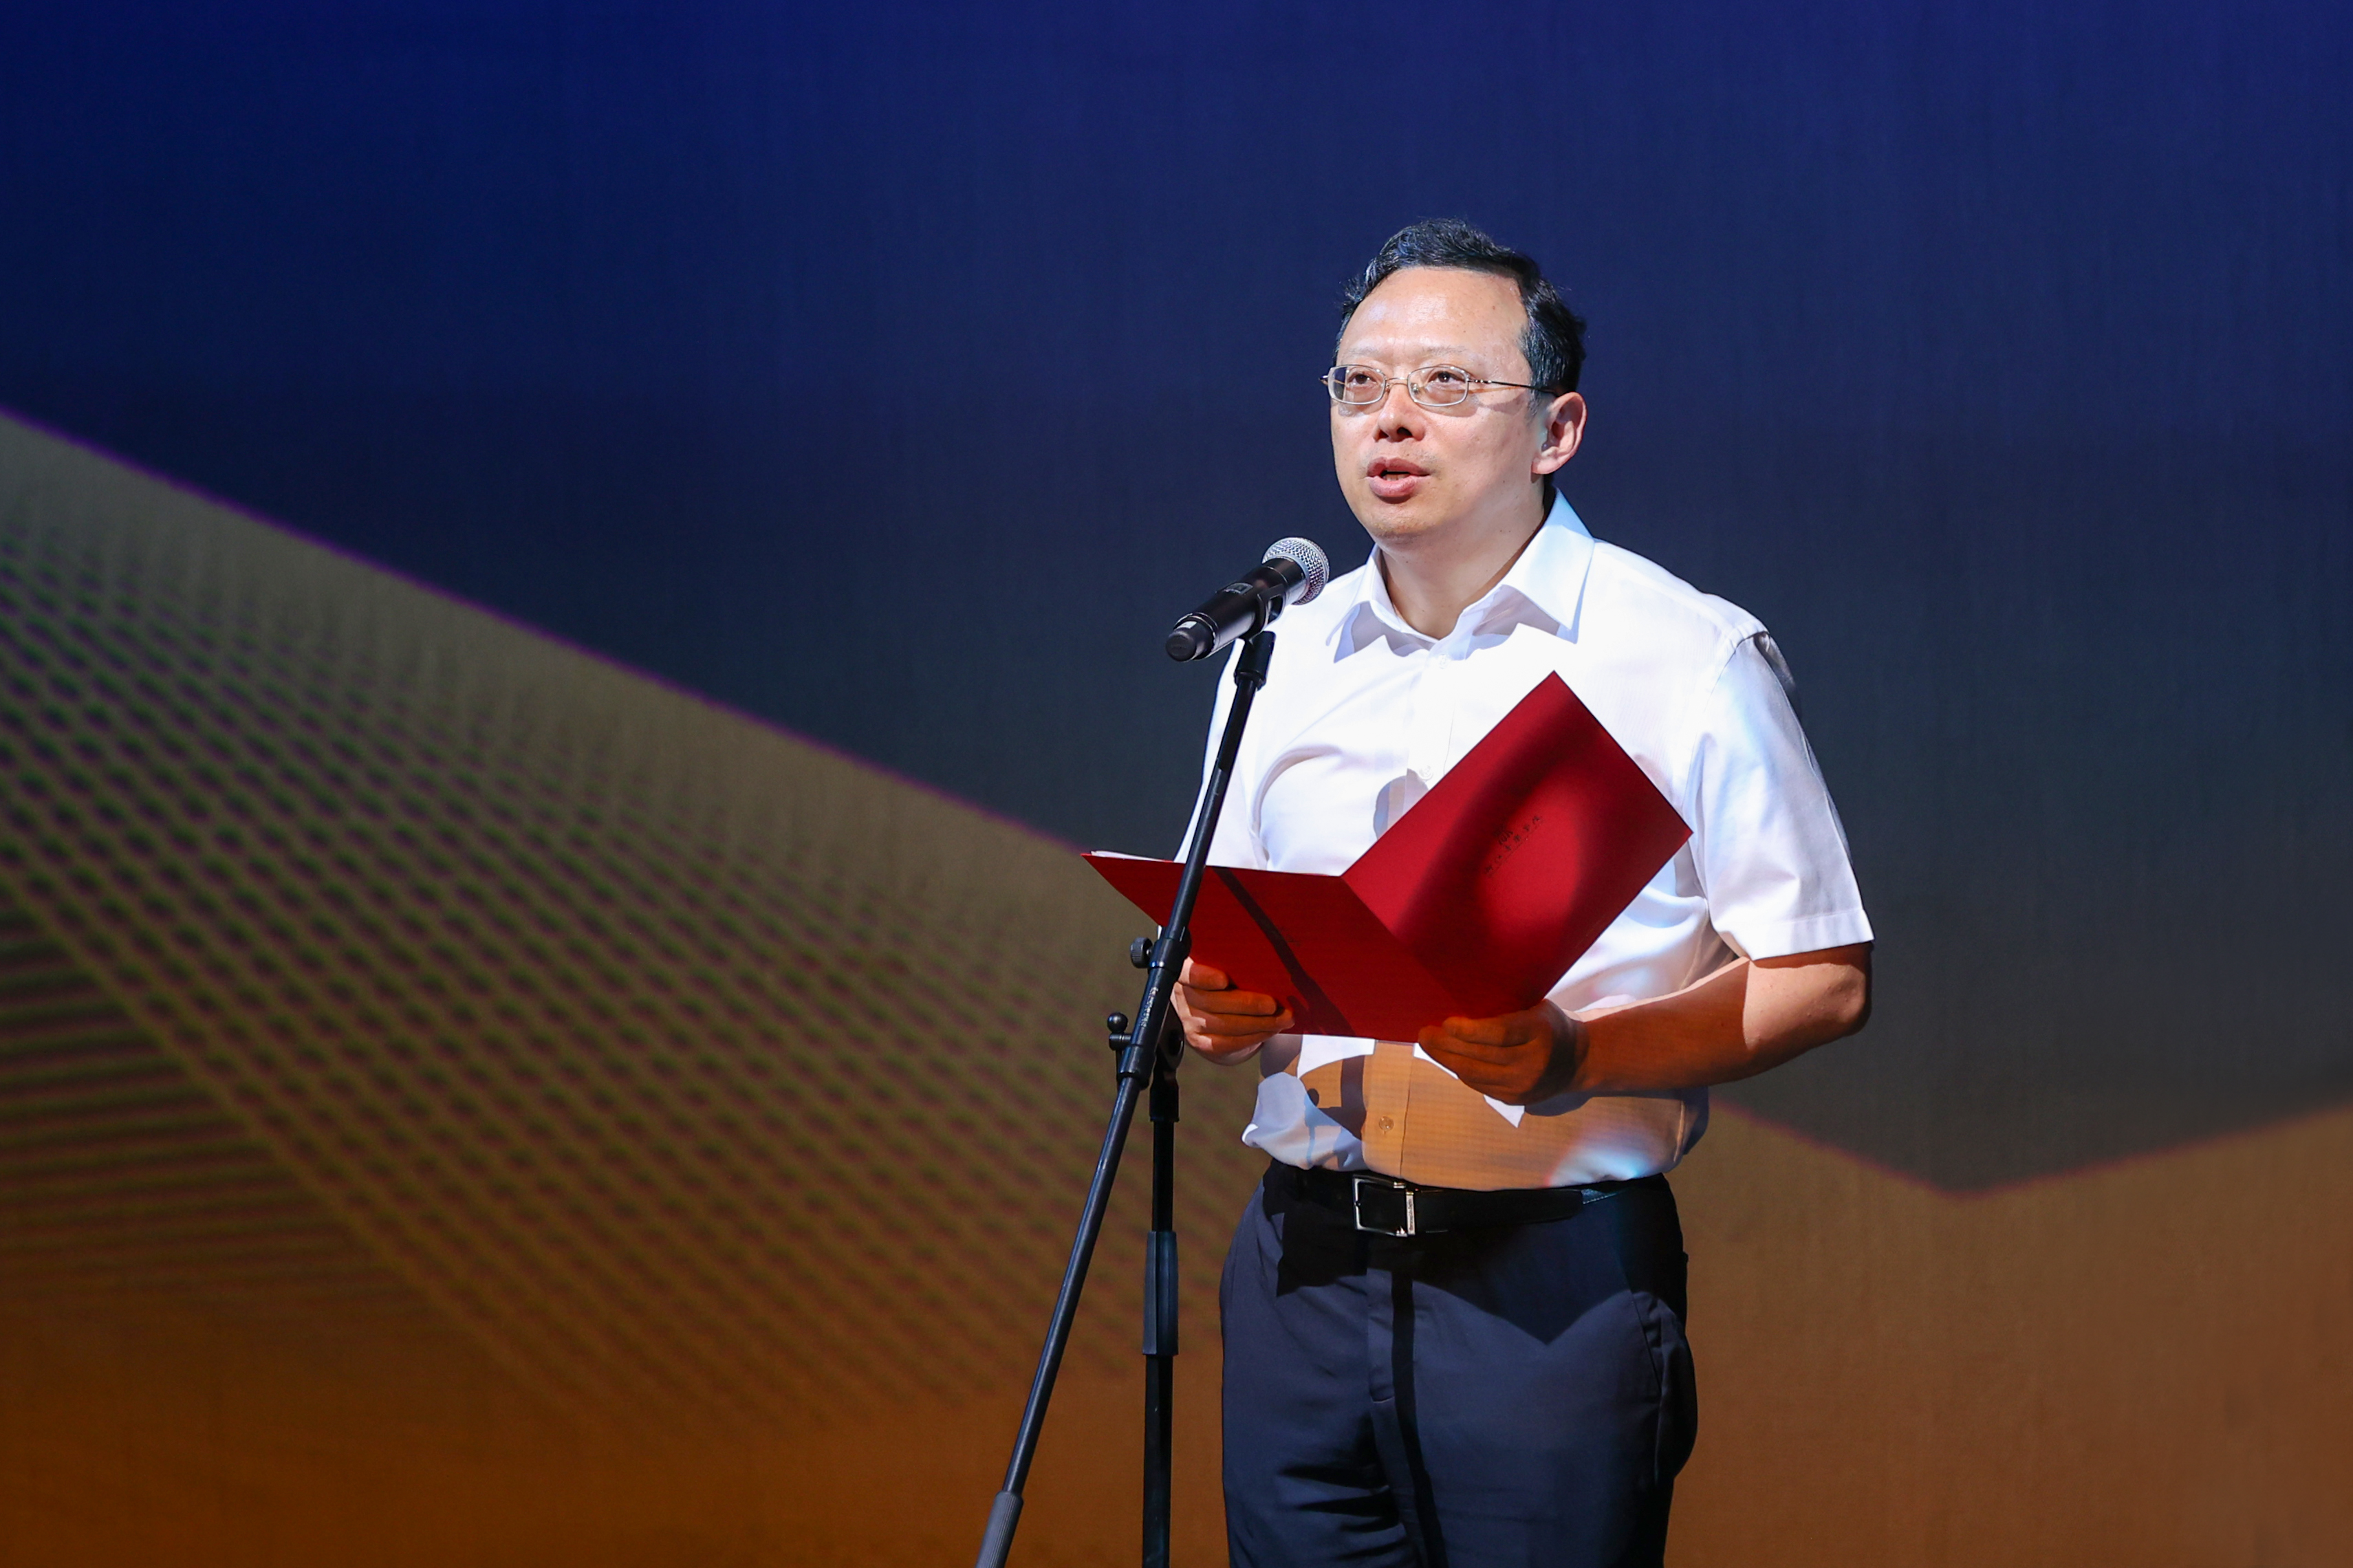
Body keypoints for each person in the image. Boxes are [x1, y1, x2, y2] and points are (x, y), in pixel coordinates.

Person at [1173, 219, 1875, 1568]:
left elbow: (1822, 975)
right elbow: (1236, 954)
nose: (1390, 418)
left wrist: (1580, 1057)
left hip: (1547, 1281)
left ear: (1556, 429)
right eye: (1358, 383)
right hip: (1300, 1274)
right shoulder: (1282, 652)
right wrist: (1218, 1008)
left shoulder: (1679, 655)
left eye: (1445, 383)